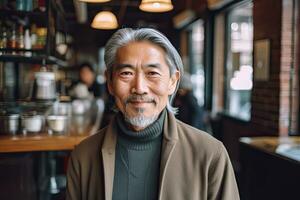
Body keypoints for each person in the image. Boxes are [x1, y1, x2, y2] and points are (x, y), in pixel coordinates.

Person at [66, 28, 240, 200]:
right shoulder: (84, 156)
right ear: (110, 82)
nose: (140, 88)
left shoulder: (210, 154)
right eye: (126, 73)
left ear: (172, 82)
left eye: (152, 73)